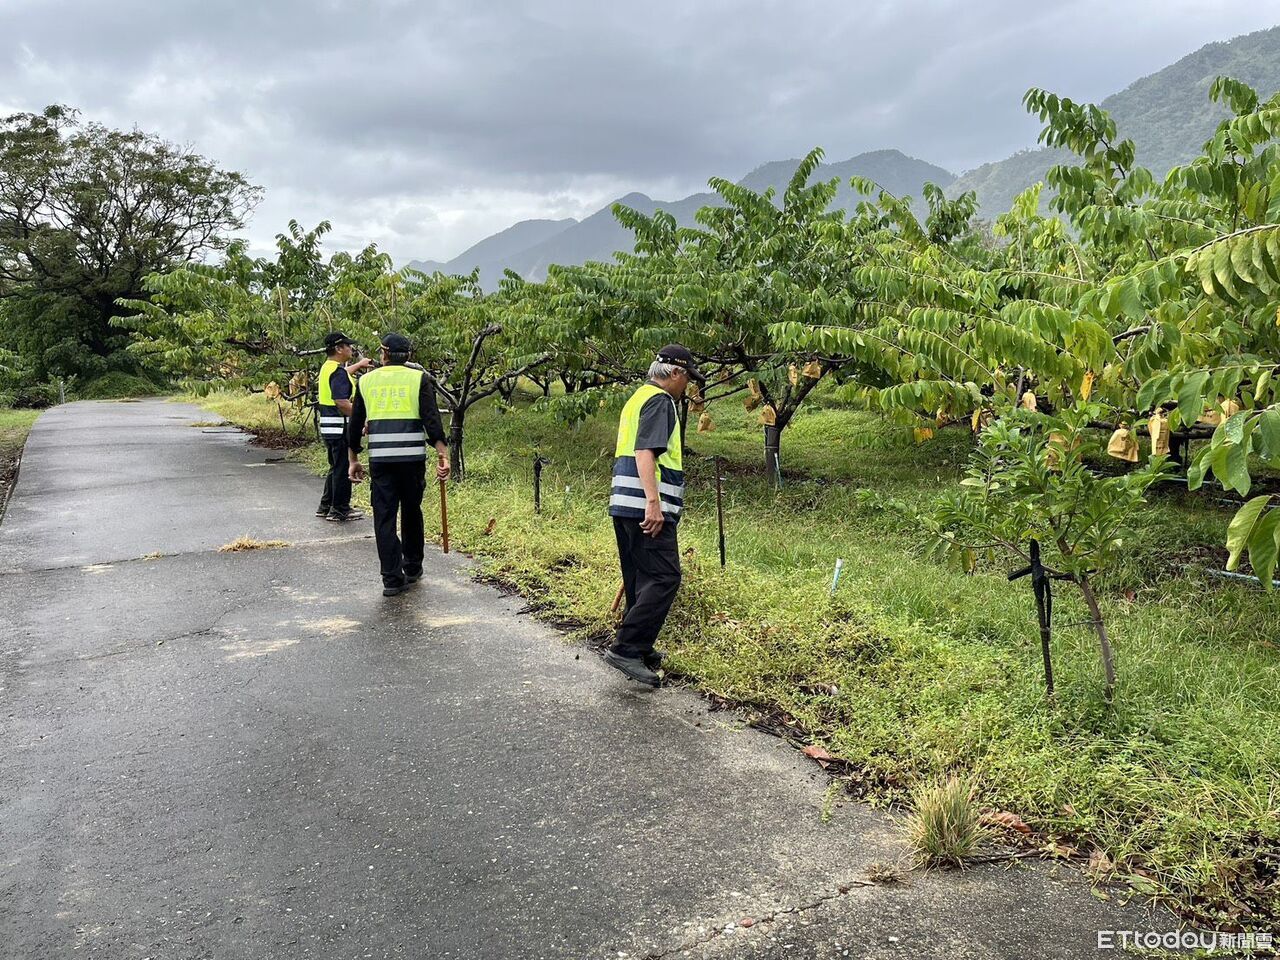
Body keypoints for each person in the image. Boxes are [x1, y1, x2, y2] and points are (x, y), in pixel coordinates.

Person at [603, 344, 704, 687]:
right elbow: (646, 452)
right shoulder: (661, 401)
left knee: (639, 578)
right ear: (675, 374)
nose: (687, 386)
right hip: (644, 506)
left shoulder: (638, 397)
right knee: (664, 577)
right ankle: (628, 648)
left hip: (623, 503)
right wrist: (653, 503)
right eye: (688, 378)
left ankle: (640, 646)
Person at [347, 333, 450, 596]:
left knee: (384, 515)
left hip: (381, 460)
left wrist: (353, 459)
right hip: (412, 459)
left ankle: (392, 578)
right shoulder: (419, 379)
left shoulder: (366, 381)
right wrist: (443, 456)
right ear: (409, 357)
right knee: (412, 510)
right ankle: (413, 567)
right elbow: (432, 420)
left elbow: (356, 422)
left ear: (383, 353)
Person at [315, 331, 373, 522]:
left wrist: (359, 365)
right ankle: (339, 509)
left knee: (335, 467)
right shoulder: (337, 371)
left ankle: (326, 505)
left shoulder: (328, 367)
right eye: (347, 346)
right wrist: (360, 419)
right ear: (339, 349)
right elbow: (341, 401)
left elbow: (343, 375)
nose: (351, 349)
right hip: (339, 426)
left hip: (328, 427)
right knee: (342, 467)